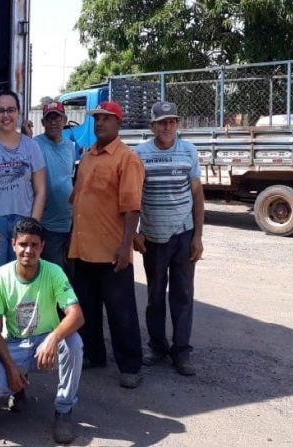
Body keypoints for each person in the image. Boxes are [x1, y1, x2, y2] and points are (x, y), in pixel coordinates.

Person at [0, 218, 84, 445]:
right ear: (13, 245)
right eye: (23, 244)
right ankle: (17, 388)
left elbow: (76, 315)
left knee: (74, 343)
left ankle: (64, 410)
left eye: (34, 245)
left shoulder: (54, 272)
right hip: (15, 343)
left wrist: (52, 338)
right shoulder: (1, 276)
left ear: (42, 247)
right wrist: (10, 367)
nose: (28, 250)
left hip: (44, 343)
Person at [68, 101, 145, 388]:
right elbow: (77, 201)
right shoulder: (88, 156)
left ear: (118, 123)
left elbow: (132, 207)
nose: (99, 123)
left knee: (120, 311)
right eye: (97, 118)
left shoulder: (127, 159)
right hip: (84, 248)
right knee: (86, 308)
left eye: (106, 119)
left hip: (112, 251)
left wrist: (126, 246)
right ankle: (94, 354)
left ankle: (130, 365)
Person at [133, 101, 204, 376]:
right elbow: (133, 195)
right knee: (155, 295)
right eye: (162, 122)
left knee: (183, 295)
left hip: (183, 235)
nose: (167, 127)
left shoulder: (189, 151)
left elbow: (197, 195)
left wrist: (198, 236)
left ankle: (182, 352)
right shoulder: (140, 154)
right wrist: (136, 232)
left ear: (177, 125)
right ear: (152, 126)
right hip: (153, 237)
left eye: (172, 121)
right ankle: (157, 347)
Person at [0, 90, 46, 280]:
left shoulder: (31, 146)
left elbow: (41, 190)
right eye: (1, 110)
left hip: (24, 220)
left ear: (18, 113)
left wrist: (33, 227)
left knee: (22, 282)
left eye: (11, 110)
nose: (6, 115)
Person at [32, 102, 76, 269]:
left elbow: (69, 178)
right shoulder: (34, 144)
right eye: (48, 118)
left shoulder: (70, 147)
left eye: (57, 118)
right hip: (47, 226)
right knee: (55, 273)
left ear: (64, 120)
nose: (53, 122)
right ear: (43, 123)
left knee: (72, 275)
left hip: (69, 224)